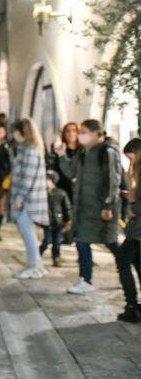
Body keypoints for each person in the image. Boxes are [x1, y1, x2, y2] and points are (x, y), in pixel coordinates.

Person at [68, 119, 123, 294]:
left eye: (84, 132)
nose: (80, 136)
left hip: (102, 208)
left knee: (112, 243)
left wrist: (107, 205)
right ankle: (85, 279)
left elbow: (113, 180)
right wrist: (62, 157)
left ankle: (127, 273)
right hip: (85, 207)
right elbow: (72, 173)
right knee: (82, 242)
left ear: (96, 133)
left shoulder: (107, 152)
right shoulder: (84, 152)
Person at [10, 119, 50, 279]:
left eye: (14, 131)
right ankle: (36, 264)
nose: (13, 134)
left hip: (29, 200)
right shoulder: (26, 149)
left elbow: (27, 177)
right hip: (28, 198)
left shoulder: (30, 150)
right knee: (27, 231)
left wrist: (19, 198)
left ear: (21, 132)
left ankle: (34, 265)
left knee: (27, 231)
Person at [115, 138, 141, 322]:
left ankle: (132, 306)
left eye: (131, 158)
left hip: (138, 232)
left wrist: (132, 202)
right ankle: (133, 306)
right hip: (136, 230)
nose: (130, 163)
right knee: (137, 265)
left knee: (123, 262)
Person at [38, 170, 72, 268]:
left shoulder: (61, 193)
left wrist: (69, 219)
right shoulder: (42, 193)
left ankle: (56, 258)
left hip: (58, 222)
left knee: (57, 242)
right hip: (47, 222)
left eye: (47, 179)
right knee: (47, 241)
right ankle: (37, 255)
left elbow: (67, 207)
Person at [47, 122, 82, 204]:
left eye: (74, 130)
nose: (71, 133)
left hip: (76, 191)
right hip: (60, 188)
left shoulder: (81, 151)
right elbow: (51, 167)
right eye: (68, 131)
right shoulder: (58, 150)